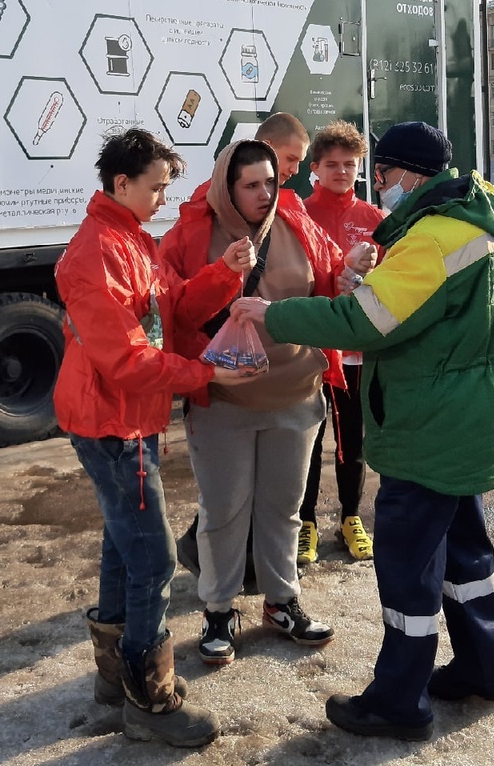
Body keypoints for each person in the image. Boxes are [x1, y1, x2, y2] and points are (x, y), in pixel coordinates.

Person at [232, 121, 494, 741]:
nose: (380, 186)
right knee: (466, 555)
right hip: (474, 418)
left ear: (411, 175)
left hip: (432, 426)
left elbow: (366, 323)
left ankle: (397, 702)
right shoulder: (485, 218)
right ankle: (483, 666)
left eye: (384, 174)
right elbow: (432, 315)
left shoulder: (433, 239)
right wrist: (367, 281)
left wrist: (273, 315)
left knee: (408, 564)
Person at [55, 127, 258, 748]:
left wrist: (223, 274)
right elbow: (126, 359)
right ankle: (150, 697)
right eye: (156, 187)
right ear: (122, 183)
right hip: (111, 421)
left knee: (123, 547)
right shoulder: (96, 254)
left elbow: (172, 307)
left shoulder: (131, 241)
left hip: (126, 418)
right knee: (154, 558)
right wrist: (204, 373)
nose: (163, 199)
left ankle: (116, 679)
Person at [159, 136, 374, 666]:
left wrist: (349, 270)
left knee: (283, 509)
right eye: (250, 185)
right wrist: (225, 272)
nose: (263, 193)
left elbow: (326, 288)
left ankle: (282, 602)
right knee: (223, 511)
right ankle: (218, 610)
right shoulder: (190, 236)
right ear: (226, 187)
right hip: (223, 402)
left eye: (270, 183)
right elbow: (177, 315)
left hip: (298, 394)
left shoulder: (297, 223)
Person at [300, 121, 385, 565]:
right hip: (311, 350)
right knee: (309, 440)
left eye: (349, 164)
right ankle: (306, 521)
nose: (341, 171)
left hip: (355, 350)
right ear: (314, 168)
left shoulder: (374, 220)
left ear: (360, 167)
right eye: (331, 164)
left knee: (353, 438)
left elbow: (390, 283)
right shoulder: (299, 214)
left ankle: (350, 517)